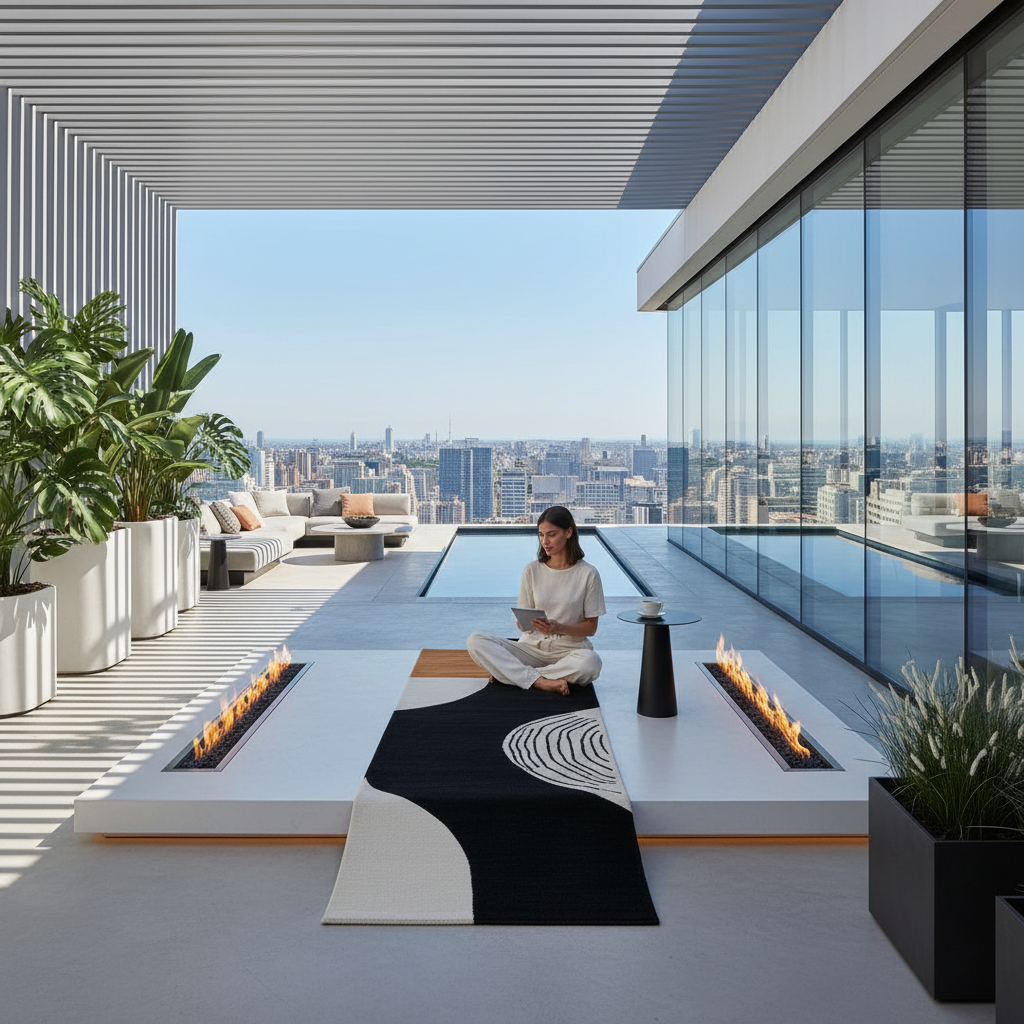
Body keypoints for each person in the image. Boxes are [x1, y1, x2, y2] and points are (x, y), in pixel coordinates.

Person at [467, 506, 606, 696]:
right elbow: (526, 622)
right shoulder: (531, 570)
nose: (545, 541)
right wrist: (524, 624)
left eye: (551, 534)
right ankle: (541, 681)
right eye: (541, 535)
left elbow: (591, 628)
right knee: (475, 640)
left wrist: (559, 628)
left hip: (569, 651)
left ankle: (513, 676)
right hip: (531, 648)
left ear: (568, 532)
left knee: (591, 663)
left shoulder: (588, 574)